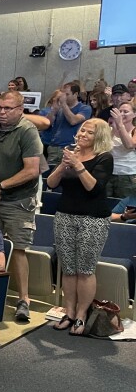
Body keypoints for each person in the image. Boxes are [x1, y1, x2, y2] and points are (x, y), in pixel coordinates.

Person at [0, 90, 42, 323]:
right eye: (0, 107)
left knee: (18, 248)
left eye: (8, 108)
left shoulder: (27, 131)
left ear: (21, 110)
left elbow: (32, 170)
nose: (2, 112)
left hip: (18, 200)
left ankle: (24, 299)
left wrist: (1, 186)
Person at [46, 119, 114, 336]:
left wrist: (77, 165)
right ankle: (69, 312)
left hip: (92, 219)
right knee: (68, 268)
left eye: (89, 132)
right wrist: (64, 164)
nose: (83, 134)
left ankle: (82, 315)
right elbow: (51, 183)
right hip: (65, 215)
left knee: (84, 270)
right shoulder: (71, 154)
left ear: (99, 137)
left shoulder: (105, 158)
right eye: (82, 129)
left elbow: (94, 188)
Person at [44, 82, 91, 164]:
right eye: (62, 94)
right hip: (54, 147)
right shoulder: (60, 108)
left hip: (71, 148)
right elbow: (47, 124)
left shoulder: (85, 108)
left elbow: (73, 121)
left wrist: (63, 104)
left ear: (75, 94)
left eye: (67, 94)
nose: (64, 97)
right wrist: (54, 110)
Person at [107, 101, 136, 198]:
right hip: (108, 172)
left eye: (126, 112)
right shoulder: (109, 129)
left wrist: (120, 125)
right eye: (120, 111)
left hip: (127, 175)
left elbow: (129, 145)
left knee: (124, 206)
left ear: (134, 114)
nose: (122, 114)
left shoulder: (134, 130)